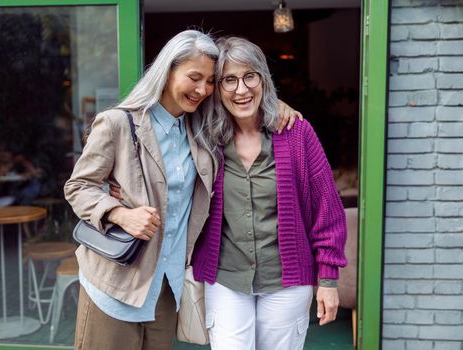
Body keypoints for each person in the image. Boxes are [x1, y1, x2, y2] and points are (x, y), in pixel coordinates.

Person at [64, 30, 300, 350]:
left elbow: (243, 97)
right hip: (117, 284)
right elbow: (78, 186)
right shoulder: (119, 123)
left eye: (209, 82)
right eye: (194, 77)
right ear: (167, 70)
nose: (202, 89)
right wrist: (120, 213)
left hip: (166, 288)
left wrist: (275, 103)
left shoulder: (201, 128)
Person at [191, 37, 347, 350]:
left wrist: (328, 280)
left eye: (250, 76)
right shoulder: (203, 137)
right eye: (229, 80)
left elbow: (327, 210)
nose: (241, 89)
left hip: (287, 281)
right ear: (217, 88)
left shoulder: (297, 133)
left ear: (264, 79)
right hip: (226, 279)